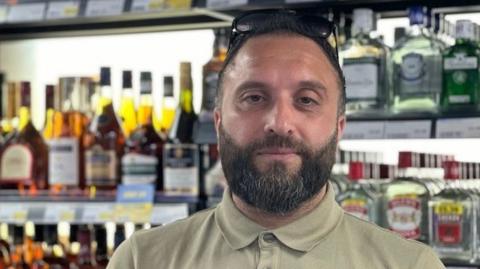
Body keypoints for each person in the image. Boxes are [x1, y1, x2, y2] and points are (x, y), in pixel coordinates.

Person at [107, 9, 445, 269]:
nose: (279, 123)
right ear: (220, 122)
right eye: (254, 97)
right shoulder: (142, 259)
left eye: (307, 100)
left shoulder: (411, 265)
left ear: (339, 127)